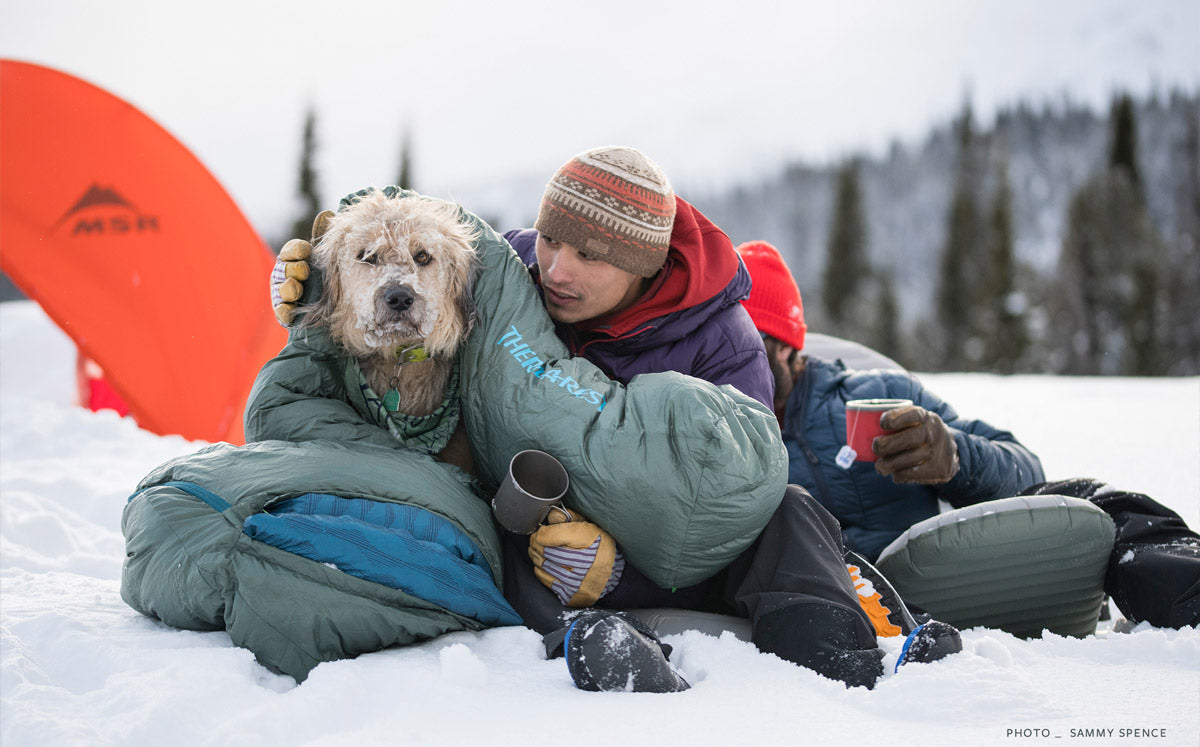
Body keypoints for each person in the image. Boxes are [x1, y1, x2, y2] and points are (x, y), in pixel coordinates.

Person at [270, 147, 961, 691]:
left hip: (691, 546)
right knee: (496, 518)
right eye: (550, 240)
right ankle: (602, 646)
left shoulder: (722, 342)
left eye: (590, 255)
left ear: (644, 262)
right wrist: (320, 289)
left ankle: (839, 648)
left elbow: (731, 489)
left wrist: (618, 567)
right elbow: (408, 305)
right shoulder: (511, 280)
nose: (557, 269)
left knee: (787, 510)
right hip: (550, 537)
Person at [736, 239, 1200, 630]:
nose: (739, 361)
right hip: (832, 593)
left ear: (790, 345)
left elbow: (1023, 469)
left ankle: (1188, 598)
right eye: (732, 345)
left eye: (755, 344)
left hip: (926, 568)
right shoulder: (721, 421)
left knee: (1093, 499)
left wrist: (953, 456)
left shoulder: (881, 391)